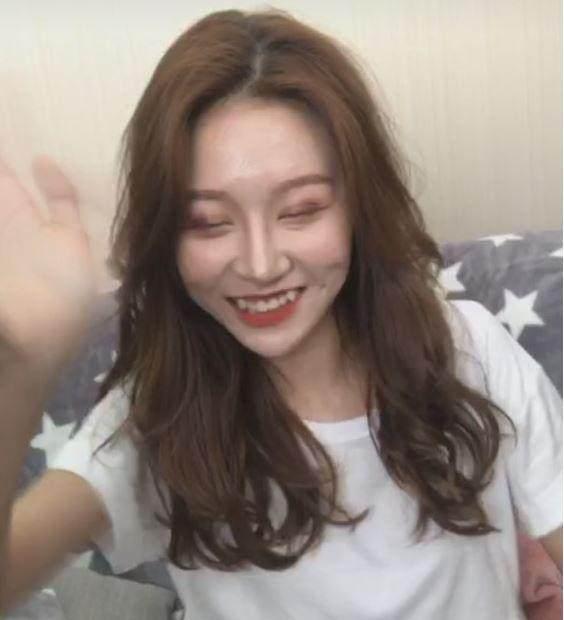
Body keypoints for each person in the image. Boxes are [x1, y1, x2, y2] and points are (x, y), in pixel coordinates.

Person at [0, 8, 561, 619]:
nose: (261, 265)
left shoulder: (471, 350)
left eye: (300, 210)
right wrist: (21, 367)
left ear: (359, 208)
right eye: (208, 222)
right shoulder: (156, 417)